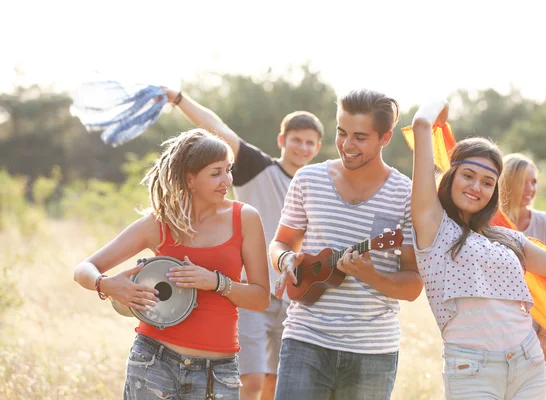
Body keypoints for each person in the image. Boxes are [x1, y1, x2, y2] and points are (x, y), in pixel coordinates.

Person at [409, 99, 546, 400]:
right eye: (468, 176)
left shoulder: (507, 238)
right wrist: (441, 107)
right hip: (472, 370)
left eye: (487, 182)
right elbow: (421, 123)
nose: (476, 187)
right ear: (451, 177)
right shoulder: (434, 227)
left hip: (528, 363)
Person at [73, 129, 270, 400]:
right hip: (153, 362)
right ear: (190, 179)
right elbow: (84, 268)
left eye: (229, 170)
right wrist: (106, 285)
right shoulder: (161, 222)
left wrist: (215, 282)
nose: (227, 180)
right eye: (216, 173)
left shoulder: (244, 218)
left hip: (217, 373)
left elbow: (260, 298)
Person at [162, 88, 324, 400]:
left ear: (317, 147)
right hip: (252, 293)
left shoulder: (317, 186)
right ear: (282, 140)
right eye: (296, 139)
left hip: (295, 299)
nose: (302, 147)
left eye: (309, 142)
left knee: (275, 385)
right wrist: (179, 98)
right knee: (249, 380)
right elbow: (217, 129)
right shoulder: (257, 169)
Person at [270, 88, 423, 400]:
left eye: (360, 137)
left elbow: (412, 286)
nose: (347, 145)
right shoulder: (307, 179)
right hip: (305, 339)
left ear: (385, 138)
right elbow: (281, 243)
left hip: (372, 352)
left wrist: (373, 276)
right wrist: (285, 261)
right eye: (341, 133)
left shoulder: (405, 195)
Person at [499, 153, 546, 399]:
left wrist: (545, 328)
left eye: (534, 182)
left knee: (544, 390)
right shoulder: (493, 223)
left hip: (540, 322)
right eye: (524, 181)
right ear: (508, 182)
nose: (530, 188)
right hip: (503, 323)